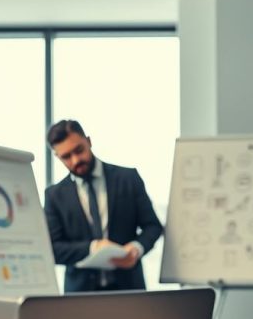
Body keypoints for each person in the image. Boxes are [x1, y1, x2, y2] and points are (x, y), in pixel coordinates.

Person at [43, 120, 163, 292]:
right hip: (80, 296)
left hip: (129, 289)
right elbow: (52, 249)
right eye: (66, 156)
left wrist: (136, 248)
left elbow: (153, 226)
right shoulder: (54, 195)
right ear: (57, 156)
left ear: (89, 141)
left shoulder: (128, 179)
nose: (76, 160)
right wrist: (94, 247)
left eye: (79, 150)